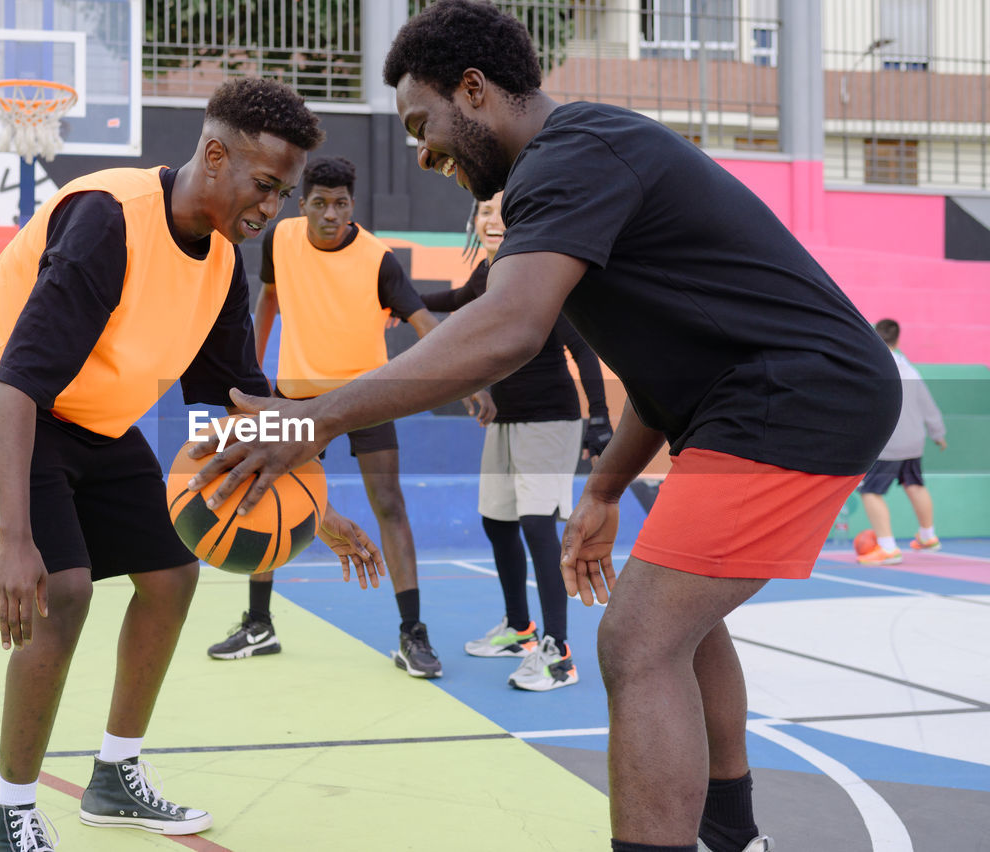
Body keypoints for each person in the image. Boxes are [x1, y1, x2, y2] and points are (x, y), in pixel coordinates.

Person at [183, 3, 902, 851]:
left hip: (799, 395)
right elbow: (658, 371)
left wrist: (315, 418)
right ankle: (733, 838)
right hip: (748, 399)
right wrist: (602, 489)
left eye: (425, 124)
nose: (422, 151)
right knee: (684, 628)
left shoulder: (568, 158)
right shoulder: (575, 173)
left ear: (475, 91)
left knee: (638, 640)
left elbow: (509, 329)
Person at [0, 78, 385, 852]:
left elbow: (231, 410)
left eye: (283, 194)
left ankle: (115, 776)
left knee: (174, 568)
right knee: (62, 588)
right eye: (265, 186)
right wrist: (14, 541)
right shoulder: (108, 218)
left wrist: (314, 508)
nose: (273, 209)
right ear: (215, 155)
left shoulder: (221, 269)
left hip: (92, 418)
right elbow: (18, 382)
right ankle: (12, 817)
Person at [207, 155, 457, 678]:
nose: (330, 213)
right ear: (303, 205)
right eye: (319, 202)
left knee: (389, 503)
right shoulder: (281, 240)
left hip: (367, 397)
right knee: (269, 495)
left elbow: (422, 320)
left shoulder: (378, 259)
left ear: (352, 205)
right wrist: (254, 371)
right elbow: (269, 299)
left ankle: (412, 633)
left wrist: (463, 377)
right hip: (297, 399)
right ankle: (259, 623)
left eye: (340, 203)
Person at [422, 190, 610, 691]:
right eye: (484, 211)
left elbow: (583, 351)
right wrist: (396, 298)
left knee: (535, 524)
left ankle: (559, 652)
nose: (492, 219)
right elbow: (454, 302)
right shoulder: (488, 276)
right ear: (475, 223)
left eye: (503, 212)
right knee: (497, 521)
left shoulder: (536, 274)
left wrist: (600, 419)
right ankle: (520, 629)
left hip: (550, 419)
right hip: (506, 420)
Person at [856, 318, 947, 565]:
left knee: (870, 491)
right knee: (915, 485)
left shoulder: (874, 367)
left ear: (874, 336)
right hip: (913, 441)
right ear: (898, 340)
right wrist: (938, 434)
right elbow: (928, 405)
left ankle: (887, 547)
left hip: (889, 443)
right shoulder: (909, 368)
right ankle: (928, 536)